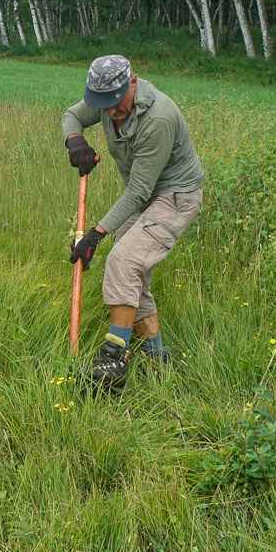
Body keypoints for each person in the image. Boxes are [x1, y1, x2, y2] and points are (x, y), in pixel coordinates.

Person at [63, 55, 203, 388]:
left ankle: (113, 361)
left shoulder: (158, 118)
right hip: (144, 198)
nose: (111, 112)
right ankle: (157, 362)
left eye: (116, 103)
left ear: (133, 83)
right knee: (133, 278)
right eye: (103, 105)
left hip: (174, 197)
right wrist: (75, 140)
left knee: (123, 262)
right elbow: (71, 115)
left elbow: (139, 191)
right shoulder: (105, 100)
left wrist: (96, 234)